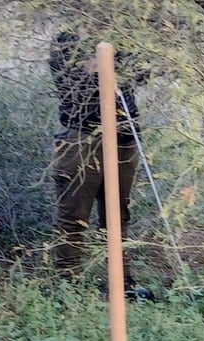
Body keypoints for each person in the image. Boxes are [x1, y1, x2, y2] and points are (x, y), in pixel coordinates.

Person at [48, 28, 148, 292]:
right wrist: (99, 67)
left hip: (124, 138)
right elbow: (68, 83)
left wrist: (118, 64)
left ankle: (122, 283)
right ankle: (68, 286)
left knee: (118, 215)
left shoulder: (125, 33)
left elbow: (142, 74)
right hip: (82, 138)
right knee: (74, 216)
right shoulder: (67, 39)